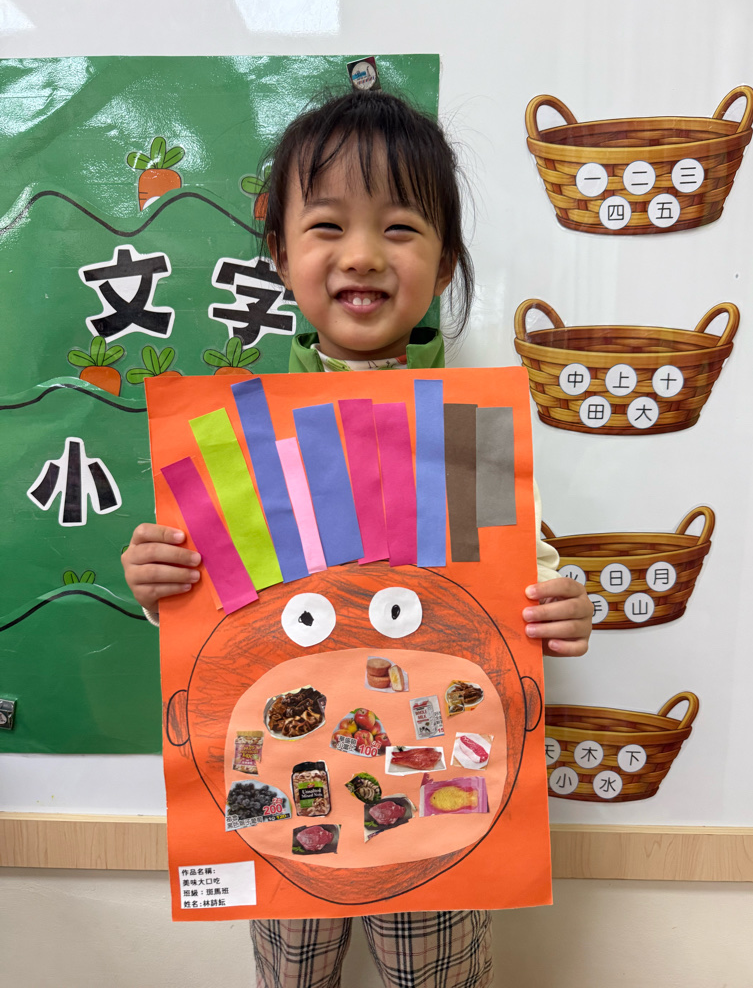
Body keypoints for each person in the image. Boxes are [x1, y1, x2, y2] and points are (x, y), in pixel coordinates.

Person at [122, 89, 591, 988]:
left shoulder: (465, 435)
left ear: (444, 263)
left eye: (401, 228)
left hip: (442, 793)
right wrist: (159, 584)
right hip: (282, 787)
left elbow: (524, 584)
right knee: (290, 977)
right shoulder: (239, 441)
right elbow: (210, 607)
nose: (364, 255)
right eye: (328, 225)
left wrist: (563, 609)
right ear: (280, 253)